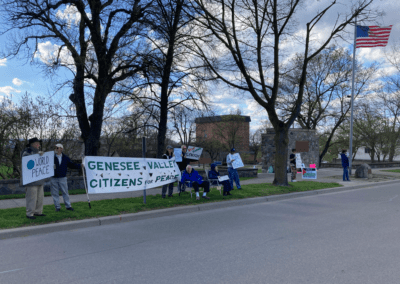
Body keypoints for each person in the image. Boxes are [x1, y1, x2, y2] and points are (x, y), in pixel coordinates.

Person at [51, 143, 81, 212]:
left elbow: (71, 165)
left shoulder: (65, 157)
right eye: (55, 148)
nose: (56, 149)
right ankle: (57, 207)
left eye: (57, 148)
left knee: (65, 192)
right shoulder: (51, 157)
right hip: (53, 177)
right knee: (55, 193)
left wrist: (79, 166)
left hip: (62, 177)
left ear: (61, 149)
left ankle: (68, 206)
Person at [21, 137, 46, 220]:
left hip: (39, 180)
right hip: (31, 181)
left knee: (40, 197)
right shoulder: (26, 152)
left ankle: (38, 211)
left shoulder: (39, 153)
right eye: (36, 143)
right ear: (32, 144)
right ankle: (30, 213)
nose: (38, 144)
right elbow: (28, 163)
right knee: (32, 198)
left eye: (38, 143)